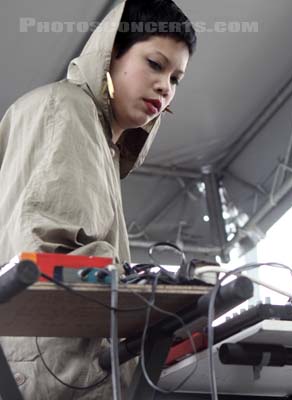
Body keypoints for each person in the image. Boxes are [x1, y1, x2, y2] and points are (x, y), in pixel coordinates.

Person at [0, 0, 195, 398]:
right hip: (52, 369)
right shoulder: (68, 108)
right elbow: (46, 258)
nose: (166, 87)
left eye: (176, 78)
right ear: (110, 55)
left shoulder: (93, 131)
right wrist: (155, 289)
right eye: (155, 64)